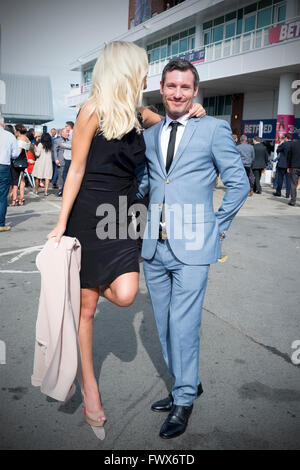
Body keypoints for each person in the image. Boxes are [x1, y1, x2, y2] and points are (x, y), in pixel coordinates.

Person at [46, 42, 205, 433]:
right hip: (90, 216)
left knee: (126, 293)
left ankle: (81, 285)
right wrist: (61, 223)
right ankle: (91, 390)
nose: (147, 75)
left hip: (126, 217)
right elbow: (76, 171)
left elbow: (172, 120)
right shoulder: (91, 110)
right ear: (125, 69)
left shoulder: (139, 113)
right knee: (85, 311)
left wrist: (197, 111)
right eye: (143, 69)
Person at [136, 58, 249, 439]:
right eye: (171, 86)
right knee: (165, 325)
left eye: (185, 87)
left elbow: (239, 184)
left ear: (195, 90)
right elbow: (147, 185)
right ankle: (188, 381)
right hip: (155, 247)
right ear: (162, 89)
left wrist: (215, 229)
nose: (178, 93)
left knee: (185, 325)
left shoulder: (214, 129)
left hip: (194, 247)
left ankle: (183, 398)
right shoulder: (150, 136)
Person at [0, 117, 19, 231]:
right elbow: (15, 154)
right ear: (3, 124)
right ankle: (1, 224)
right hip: (3, 166)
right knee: (2, 197)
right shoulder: (9, 136)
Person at [10, 124, 30, 206]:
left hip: (16, 162)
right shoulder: (27, 139)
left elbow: (19, 151)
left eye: (15, 130)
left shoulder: (20, 138)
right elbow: (28, 150)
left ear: (18, 131)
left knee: (14, 181)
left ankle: (14, 200)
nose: (14, 132)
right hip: (24, 161)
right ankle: (22, 197)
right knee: (21, 181)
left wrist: (12, 156)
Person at [273, 133, 292, 198]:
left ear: (286, 138)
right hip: (290, 165)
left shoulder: (284, 144)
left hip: (282, 164)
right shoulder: (293, 144)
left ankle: (278, 192)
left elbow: (277, 150)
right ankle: (287, 194)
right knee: (288, 180)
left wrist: (280, 145)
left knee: (280, 179)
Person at [53, 128, 68, 196]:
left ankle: (66, 189)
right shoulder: (57, 141)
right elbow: (55, 151)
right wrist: (56, 159)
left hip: (68, 160)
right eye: (65, 132)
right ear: (61, 133)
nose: (67, 133)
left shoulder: (69, 141)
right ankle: (61, 189)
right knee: (61, 175)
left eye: (67, 132)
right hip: (61, 160)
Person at [287, 130, 300, 206]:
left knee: (293, 184)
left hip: (294, 166)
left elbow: (289, 156)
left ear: (298, 135)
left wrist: (288, 166)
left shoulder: (293, 144)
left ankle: (293, 201)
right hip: (294, 166)